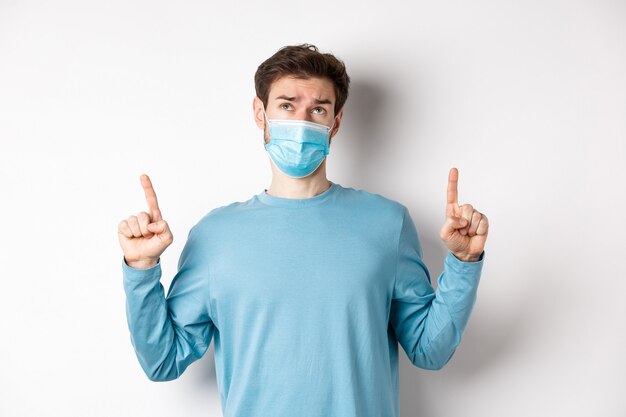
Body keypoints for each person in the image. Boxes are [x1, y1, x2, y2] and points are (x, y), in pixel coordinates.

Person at [118, 44, 489, 417]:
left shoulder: (387, 224)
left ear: (336, 121)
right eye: (286, 105)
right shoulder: (215, 236)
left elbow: (429, 350)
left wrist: (464, 261)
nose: (302, 121)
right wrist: (141, 272)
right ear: (260, 113)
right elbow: (163, 361)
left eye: (318, 109)